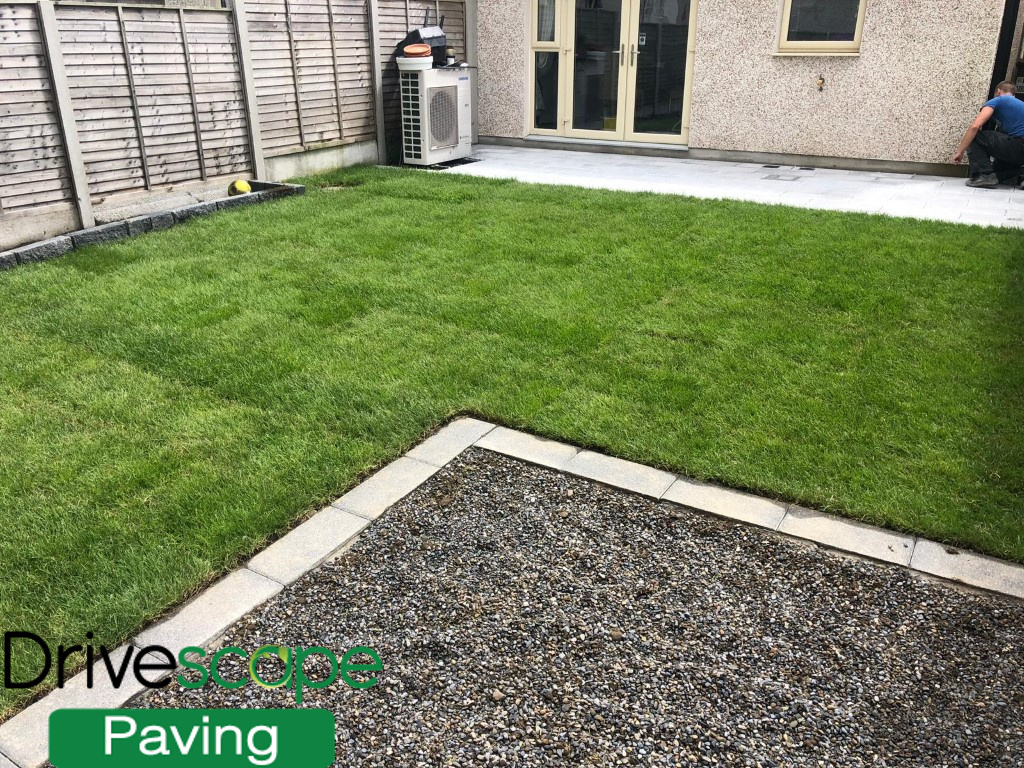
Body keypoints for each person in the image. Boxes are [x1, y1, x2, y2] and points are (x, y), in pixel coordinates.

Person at [952, 81, 1024, 188]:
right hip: (1018, 149)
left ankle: (983, 175)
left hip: (1018, 145)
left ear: (998, 92)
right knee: (999, 170)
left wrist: (960, 151)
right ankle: (1019, 177)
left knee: (975, 135)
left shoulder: (998, 100)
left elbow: (975, 127)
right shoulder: (1020, 104)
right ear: (1014, 94)